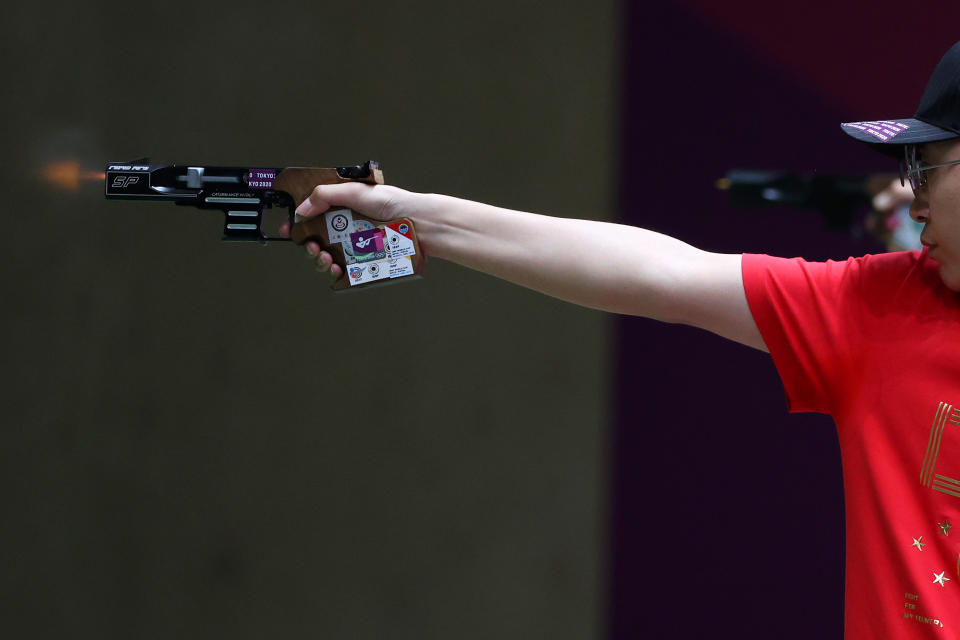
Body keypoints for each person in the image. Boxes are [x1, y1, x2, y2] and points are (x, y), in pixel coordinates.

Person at [282, 43, 960, 638]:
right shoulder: (880, 307)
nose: (912, 198)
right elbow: (660, 274)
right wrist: (417, 219)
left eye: (928, 170)